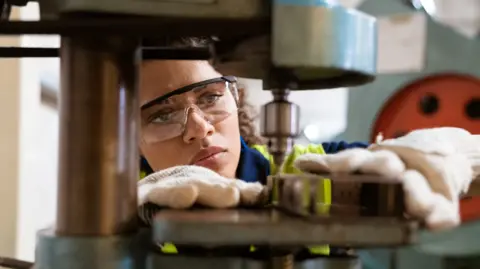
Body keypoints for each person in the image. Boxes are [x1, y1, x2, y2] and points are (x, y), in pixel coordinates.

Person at [137, 38, 480, 256]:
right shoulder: (110, 211)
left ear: (235, 96)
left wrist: (451, 153)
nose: (199, 128)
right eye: (162, 115)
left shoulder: (315, 169)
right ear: (126, 137)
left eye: (210, 97)